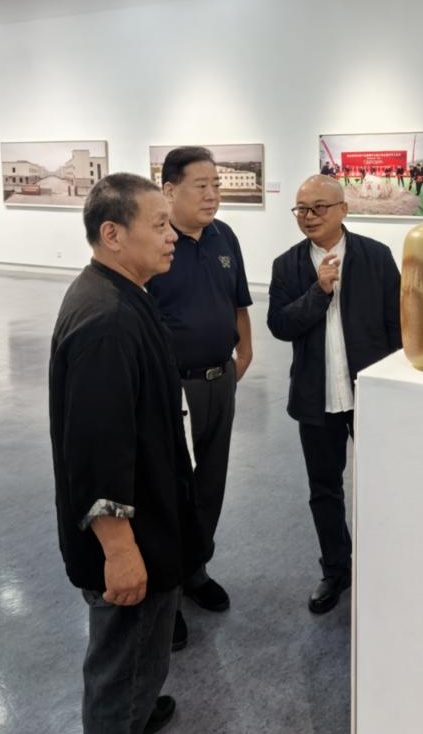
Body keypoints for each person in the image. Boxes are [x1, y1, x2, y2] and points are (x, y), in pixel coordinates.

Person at [49, 173, 193, 734]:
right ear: (112, 234)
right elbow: (95, 450)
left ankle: (138, 706)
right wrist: (120, 550)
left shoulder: (124, 295)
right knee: (121, 663)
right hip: (130, 537)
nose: (172, 235)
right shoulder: (106, 321)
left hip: (150, 517)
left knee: (139, 654)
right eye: (159, 225)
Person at [267, 175, 402, 614]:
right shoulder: (287, 265)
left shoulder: (376, 257)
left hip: (370, 393)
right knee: (324, 489)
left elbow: (397, 324)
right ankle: (336, 570)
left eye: (319, 207)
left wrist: (394, 384)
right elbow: (280, 325)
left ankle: (388, 564)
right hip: (316, 397)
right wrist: (318, 291)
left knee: (383, 482)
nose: (309, 217)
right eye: (301, 209)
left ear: (343, 209)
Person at [146, 147, 253, 634]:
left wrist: (243, 353)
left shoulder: (223, 236)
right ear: (169, 190)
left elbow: (238, 302)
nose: (212, 195)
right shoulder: (154, 242)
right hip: (173, 388)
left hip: (219, 380)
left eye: (216, 185)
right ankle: (164, 595)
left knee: (210, 482)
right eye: (201, 185)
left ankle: (195, 570)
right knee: (170, 489)